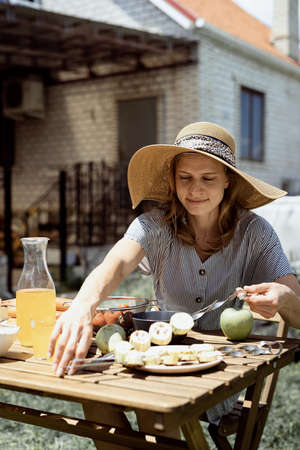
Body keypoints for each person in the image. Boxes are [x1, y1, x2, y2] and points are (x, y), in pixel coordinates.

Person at [48, 121, 300, 442]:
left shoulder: (255, 232)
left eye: (208, 178)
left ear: (228, 182)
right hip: (156, 356)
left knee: (153, 409)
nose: (195, 190)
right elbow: (115, 264)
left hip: (219, 369)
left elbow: (298, 313)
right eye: (186, 178)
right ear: (173, 181)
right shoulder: (152, 226)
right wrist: (82, 306)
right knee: (92, 398)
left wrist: (285, 298)